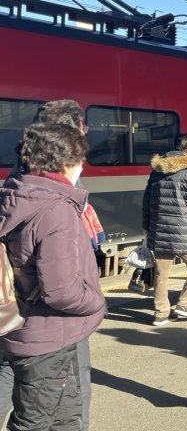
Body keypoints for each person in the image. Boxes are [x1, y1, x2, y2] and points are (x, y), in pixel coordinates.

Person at [0, 123, 106, 430]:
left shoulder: (15, 193)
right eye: (81, 160)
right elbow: (61, 291)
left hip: (23, 326)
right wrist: (95, 303)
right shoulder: (55, 209)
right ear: (67, 163)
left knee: (66, 416)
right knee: (34, 422)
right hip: (48, 336)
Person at [142, 133, 187, 326]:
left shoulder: (156, 171)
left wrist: (146, 226)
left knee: (162, 273)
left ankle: (160, 313)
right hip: (186, 232)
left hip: (159, 230)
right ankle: (185, 304)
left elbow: (147, 201)